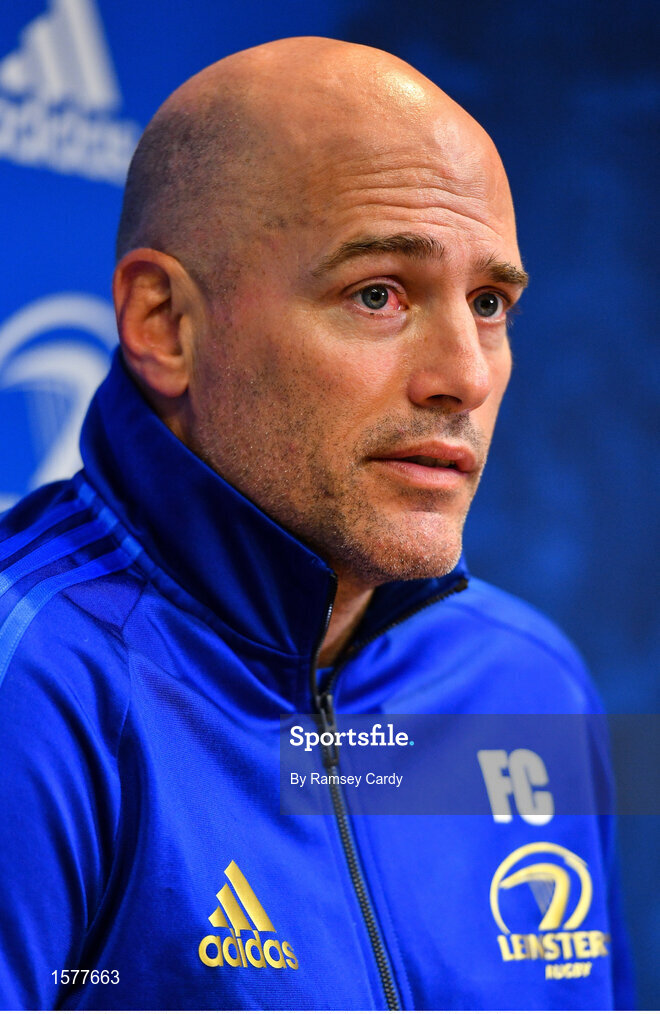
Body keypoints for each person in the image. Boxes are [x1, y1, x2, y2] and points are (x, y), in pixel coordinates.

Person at [0, 37, 633, 1011]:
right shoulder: (38, 688)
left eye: (491, 302)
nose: (464, 375)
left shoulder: (528, 683)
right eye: (378, 293)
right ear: (164, 322)